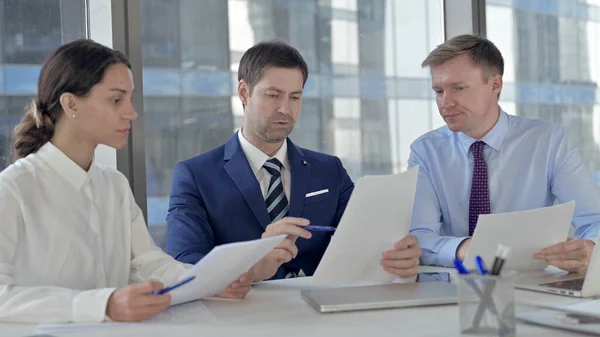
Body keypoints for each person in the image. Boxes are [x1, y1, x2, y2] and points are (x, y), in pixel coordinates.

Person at [0, 39, 251, 324]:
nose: (131, 113)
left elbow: (146, 263)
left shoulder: (114, 184)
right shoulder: (13, 189)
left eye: (130, 99)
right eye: (116, 99)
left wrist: (207, 282)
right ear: (71, 103)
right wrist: (101, 305)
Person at [166, 40, 421, 281]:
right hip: (240, 319)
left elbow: (363, 243)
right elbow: (185, 264)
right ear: (244, 92)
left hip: (322, 317)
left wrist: (396, 256)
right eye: (273, 95)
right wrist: (251, 268)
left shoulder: (330, 170)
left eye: (294, 97)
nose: (285, 109)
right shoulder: (195, 176)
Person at [409, 34, 600, 272]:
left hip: (529, 287)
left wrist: (590, 248)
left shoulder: (548, 141)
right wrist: (466, 248)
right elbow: (417, 237)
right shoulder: (425, 151)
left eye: (458, 88)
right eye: (438, 91)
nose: (445, 103)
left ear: (495, 85)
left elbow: (594, 220)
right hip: (450, 288)